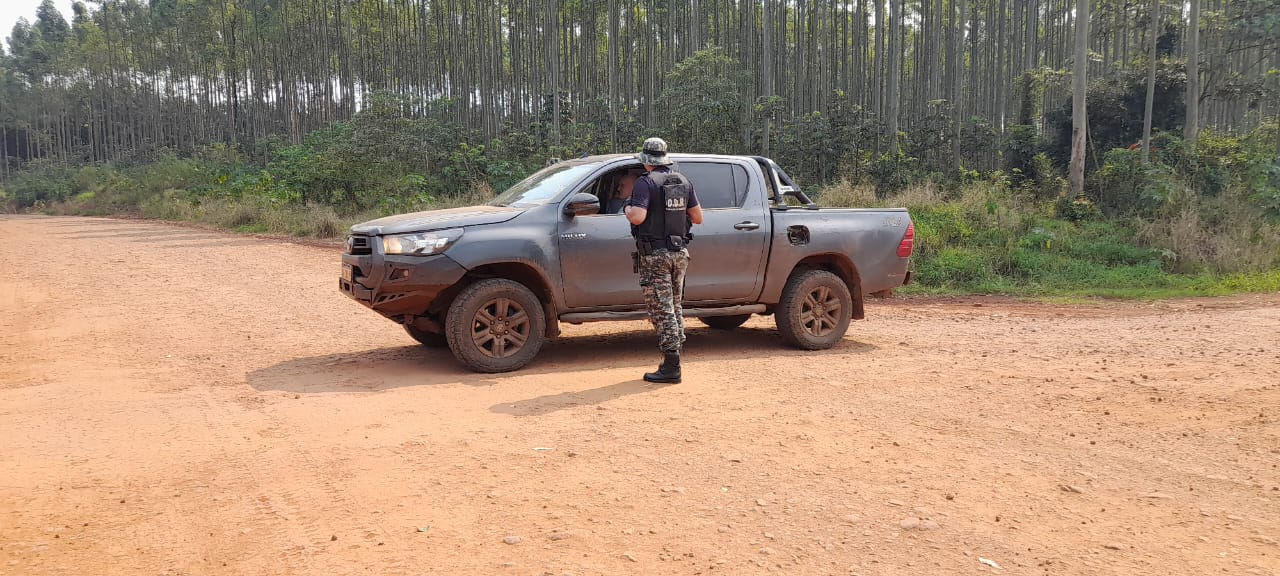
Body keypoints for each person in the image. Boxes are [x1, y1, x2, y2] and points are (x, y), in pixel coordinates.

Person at [624, 137, 704, 384]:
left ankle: (672, 367)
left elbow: (637, 217)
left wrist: (627, 207)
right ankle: (673, 358)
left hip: (656, 255)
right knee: (676, 306)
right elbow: (698, 217)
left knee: (662, 308)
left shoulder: (645, 183)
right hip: (680, 253)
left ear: (647, 161)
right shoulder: (683, 181)